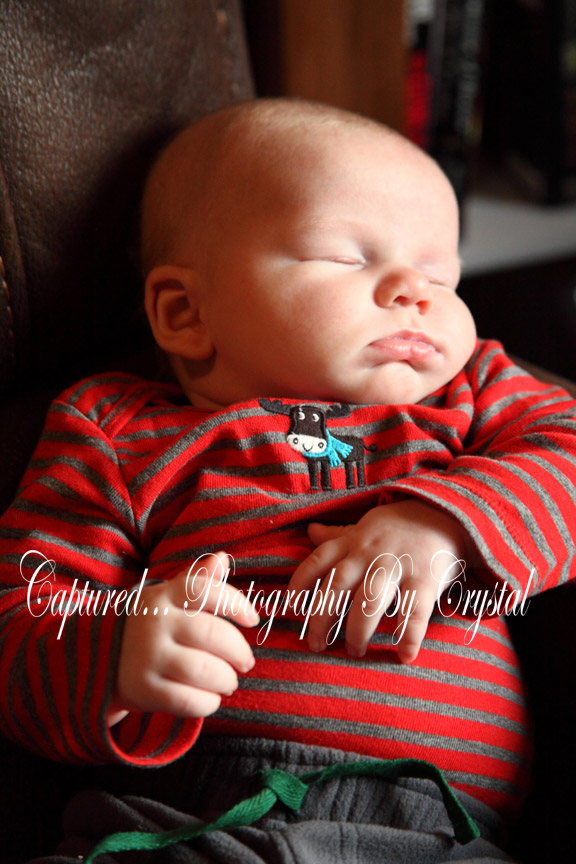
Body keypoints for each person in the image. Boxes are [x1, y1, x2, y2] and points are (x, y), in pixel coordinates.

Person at [2, 98, 576, 863]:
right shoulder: (115, 428)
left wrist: (445, 524)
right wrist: (114, 657)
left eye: (442, 274)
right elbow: (25, 615)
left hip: (438, 828)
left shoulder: (474, 393)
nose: (416, 290)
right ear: (186, 312)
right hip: (189, 816)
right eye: (345, 258)